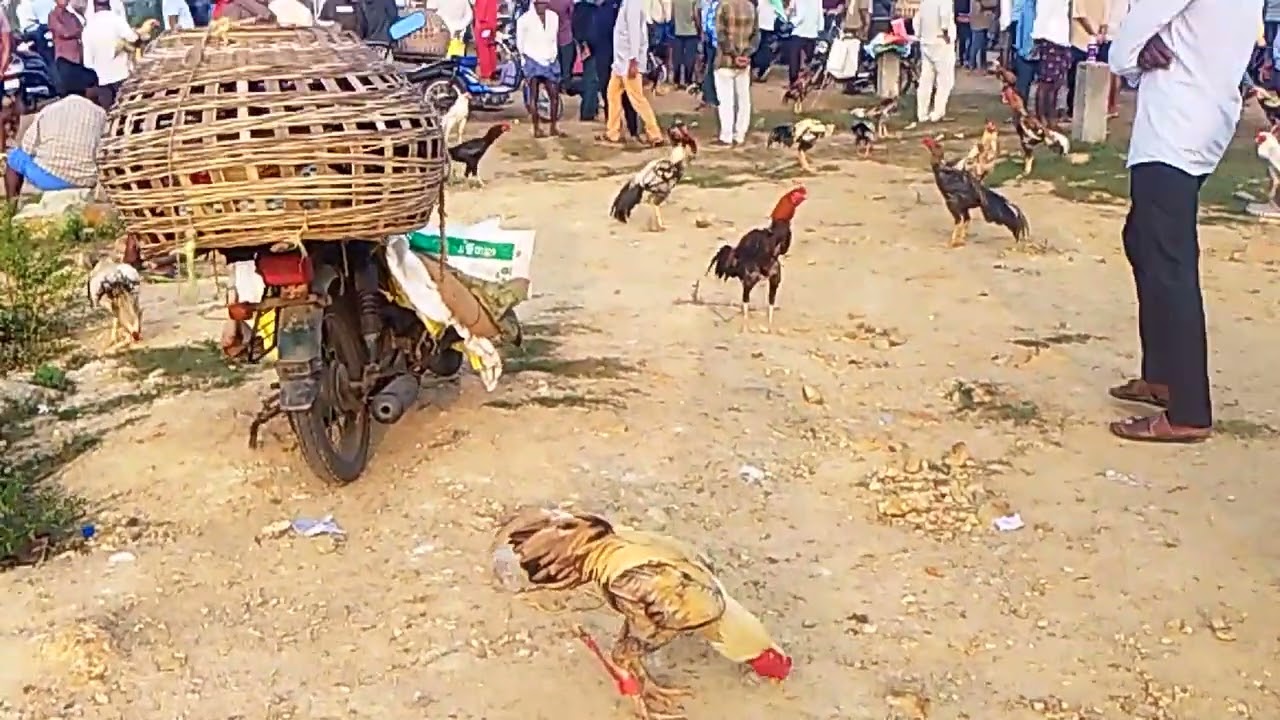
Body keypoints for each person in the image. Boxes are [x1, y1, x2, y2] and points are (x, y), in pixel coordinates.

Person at [1104, 0, 1260, 443]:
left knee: (1169, 261)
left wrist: (1135, 51)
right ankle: (1160, 375)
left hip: (1175, 124)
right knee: (1142, 240)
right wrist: (1142, 47)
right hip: (1204, 115)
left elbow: (1123, 45)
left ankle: (1189, 409)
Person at [5, 66, 105, 199]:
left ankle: (11, 203)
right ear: (88, 89)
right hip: (86, 180)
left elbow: (27, 147)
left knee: (14, 157)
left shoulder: (49, 110)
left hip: (50, 180)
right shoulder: (101, 114)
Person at [601, 0, 664, 144]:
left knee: (637, 99)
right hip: (620, 62)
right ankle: (613, 132)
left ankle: (655, 134)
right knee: (612, 95)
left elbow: (635, 33)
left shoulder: (633, 3)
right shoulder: (627, 3)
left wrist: (633, 60)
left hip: (629, 61)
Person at [517, 0, 565, 136]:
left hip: (550, 58)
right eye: (539, 3)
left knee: (554, 95)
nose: (542, 6)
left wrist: (553, 56)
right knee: (533, 96)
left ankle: (553, 126)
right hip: (532, 59)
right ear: (534, 4)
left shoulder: (553, 17)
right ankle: (536, 128)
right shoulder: (524, 20)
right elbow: (520, 44)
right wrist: (525, 63)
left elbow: (554, 39)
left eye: (544, 3)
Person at [712, 0, 757, 145]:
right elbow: (756, 35)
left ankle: (726, 135)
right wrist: (746, 54)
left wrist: (734, 54)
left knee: (726, 101)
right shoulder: (750, 7)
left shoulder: (724, 6)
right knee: (743, 99)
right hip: (744, 61)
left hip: (725, 61)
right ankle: (740, 134)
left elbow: (721, 35)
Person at [81, 0, 135, 107]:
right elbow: (133, 38)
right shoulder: (116, 20)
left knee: (110, 116)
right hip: (123, 78)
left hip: (103, 83)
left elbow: (88, 63)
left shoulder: (87, 29)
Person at [913, 0, 955, 122]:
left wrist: (919, 34)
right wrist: (946, 34)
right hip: (940, 41)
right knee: (945, 80)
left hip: (926, 40)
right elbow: (945, 16)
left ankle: (922, 113)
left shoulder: (925, 2)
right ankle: (938, 112)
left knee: (926, 79)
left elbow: (917, 20)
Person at [1029, 0, 1068, 124]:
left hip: (1062, 38)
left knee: (1057, 83)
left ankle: (1051, 116)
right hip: (1050, 37)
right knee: (1046, 83)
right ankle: (1042, 117)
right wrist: (1037, 38)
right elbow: (1042, 15)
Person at [1064, 0, 1105, 117]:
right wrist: (1097, 34)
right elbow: (1079, 15)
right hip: (1080, 40)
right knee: (1075, 79)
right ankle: (1073, 109)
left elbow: (1104, 18)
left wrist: (1098, 34)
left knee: (1092, 79)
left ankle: (1089, 110)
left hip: (1093, 41)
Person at [573, 0, 603, 118]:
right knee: (592, 79)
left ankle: (592, 108)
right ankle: (587, 112)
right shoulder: (585, 9)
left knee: (592, 78)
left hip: (590, 43)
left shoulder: (581, 8)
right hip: (591, 45)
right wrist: (585, 43)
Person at [1006, 0, 1036, 102]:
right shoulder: (1027, 5)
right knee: (1023, 84)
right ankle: (1019, 113)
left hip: (1030, 43)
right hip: (1026, 46)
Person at [786, 0, 820, 85]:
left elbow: (800, 15)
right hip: (812, 32)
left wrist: (790, 22)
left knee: (794, 58)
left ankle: (794, 81)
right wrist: (819, 29)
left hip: (799, 31)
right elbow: (819, 14)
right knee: (808, 59)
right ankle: (805, 80)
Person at [646, 0, 674, 92]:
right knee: (655, 52)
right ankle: (655, 80)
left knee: (666, 50)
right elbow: (647, 6)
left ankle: (661, 80)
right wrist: (650, 22)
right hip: (656, 23)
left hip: (667, 23)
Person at [547, 0, 576, 85]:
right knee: (567, 66)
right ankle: (566, 85)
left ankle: (556, 85)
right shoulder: (567, 1)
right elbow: (572, 15)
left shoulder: (548, 3)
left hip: (553, 36)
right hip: (566, 36)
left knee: (556, 65)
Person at [672, 0, 700, 85]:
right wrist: (699, 28)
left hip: (678, 31)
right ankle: (688, 80)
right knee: (690, 57)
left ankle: (676, 80)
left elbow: (672, 14)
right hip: (691, 31)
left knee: (677, 57)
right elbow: (695, 15)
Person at [699, 0, 720, 106]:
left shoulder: (713, 4)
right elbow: (710, 24)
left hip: (713, 41)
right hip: (716, 43)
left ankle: (709, 95)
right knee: (713, 69)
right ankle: (710, 97)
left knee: (711, 68)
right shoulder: (716, 4)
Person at [475, 0, 499, 80]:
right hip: (490, 23)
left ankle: (487, 72)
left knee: (484, 49)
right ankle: (492, 70)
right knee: (491, 47)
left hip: (484, 24)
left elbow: (481, 11)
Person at [967, 0, 995, 69]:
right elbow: (991, 3)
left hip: (982, 21)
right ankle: (972, 64)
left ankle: (981, 64)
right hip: (979, 22)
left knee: (982, 45)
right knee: (976, 44)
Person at [954, 0, 970, 65]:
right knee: (962, 40)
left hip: (960, 16)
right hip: (962, 16)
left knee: (961, 40)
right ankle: (962, 59)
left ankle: (961, 59)